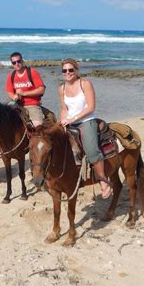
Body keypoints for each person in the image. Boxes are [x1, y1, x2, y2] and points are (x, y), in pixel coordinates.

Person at [58, 58, 112, 199]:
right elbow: (64, 109)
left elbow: (91, 107)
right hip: (69, 122)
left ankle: (103, 179)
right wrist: (63, 120)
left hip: (86, 121)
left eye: (71, 70)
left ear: (76, 70)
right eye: (65, 70)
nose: (68, 73)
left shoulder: (85, 84)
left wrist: (73, 118)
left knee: (91, 150)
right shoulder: (61, 88)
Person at [5, 52, 45, 127]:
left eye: (18, 61)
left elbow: (41, 90)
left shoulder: (32, 72)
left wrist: (24, 93)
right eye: (14, 62)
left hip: (32, 105)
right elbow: (9, 92)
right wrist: (14, 97)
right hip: (17, 105)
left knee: (38, 127)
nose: (17, 64)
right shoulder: (11, 76)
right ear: (12, 64)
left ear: (22, 61)